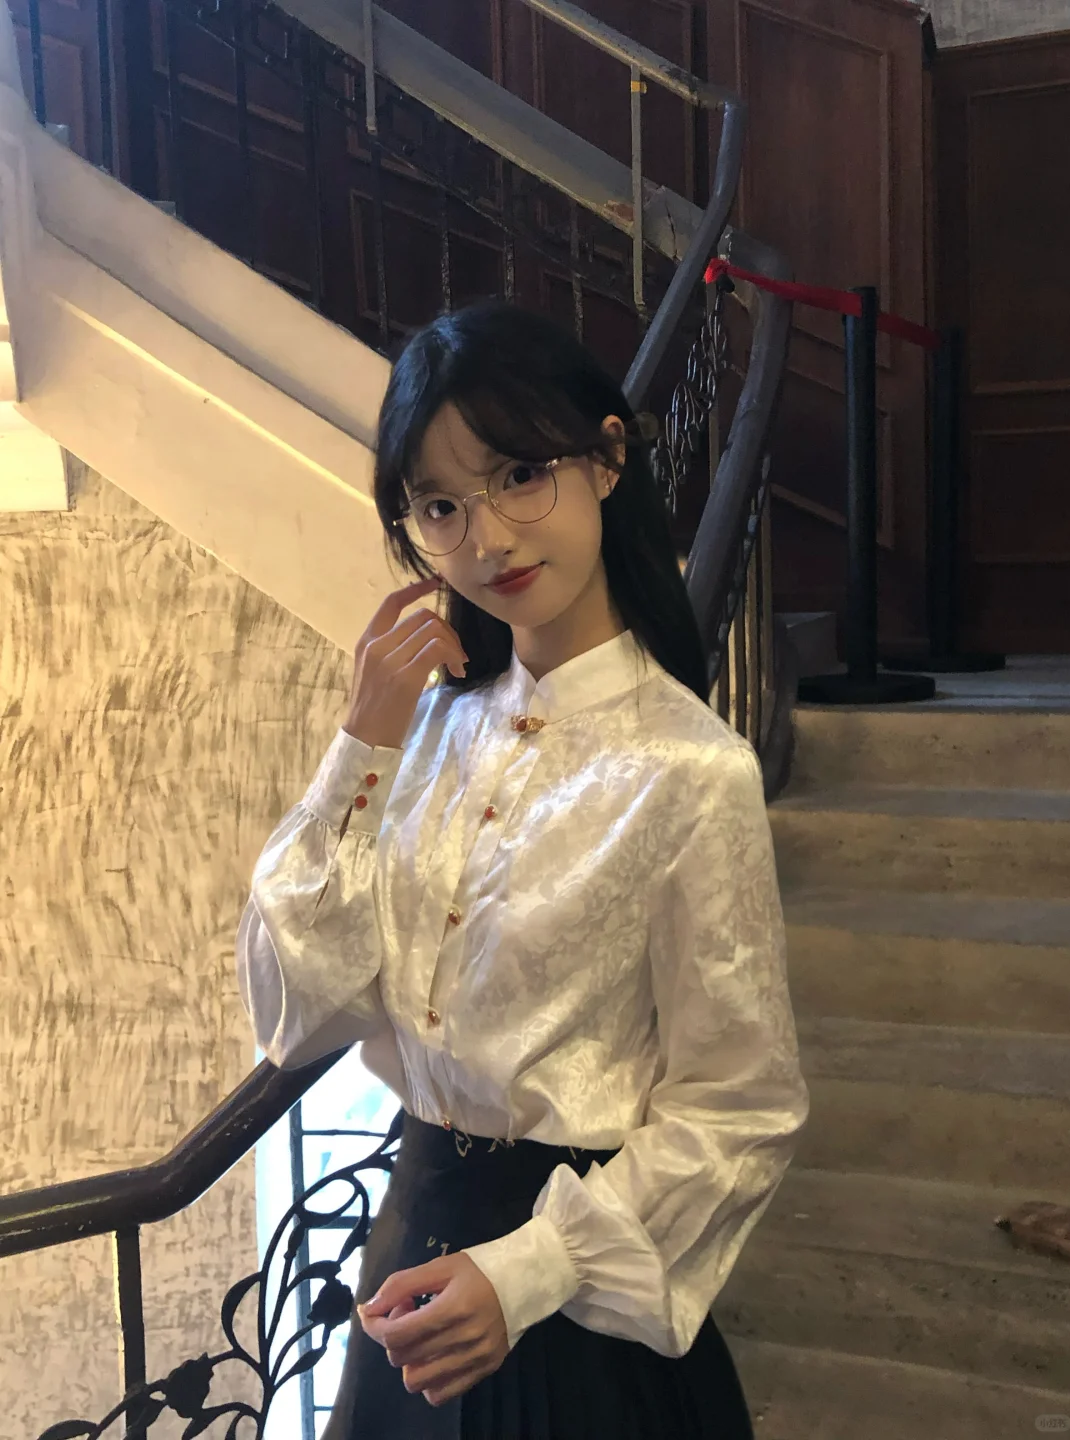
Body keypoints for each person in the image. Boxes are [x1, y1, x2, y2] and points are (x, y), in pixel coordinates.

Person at [235, 300, 809, 1440]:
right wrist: (360, 745)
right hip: (409, 1249)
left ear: (606, 458)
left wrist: (531, 1271)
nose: (487, 538)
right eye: (441, 505)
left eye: (519, 476)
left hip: (571, 1291)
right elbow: (292, 1009)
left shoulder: (692, 771)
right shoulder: (425, 735)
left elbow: (743, 1105)